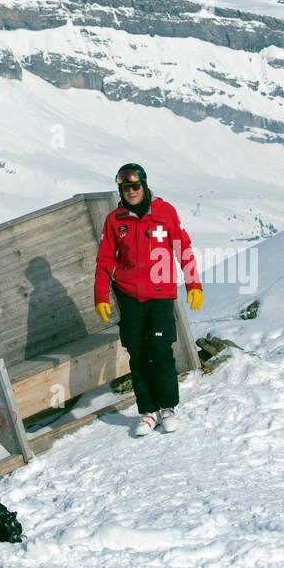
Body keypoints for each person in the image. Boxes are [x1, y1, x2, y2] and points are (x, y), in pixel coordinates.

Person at [94, 163, 203, 437]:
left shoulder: (165, 213)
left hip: (160, 295)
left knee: (161, 350)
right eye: (125, 187)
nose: (130, 191)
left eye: (135, 186)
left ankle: (167, 408)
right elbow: (105, 260)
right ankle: (148, 412)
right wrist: (101, 296)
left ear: (144, 185)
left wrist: (194, 285)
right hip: (129, 296)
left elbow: (183, 247)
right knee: (138, 354)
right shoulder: (115, 220)